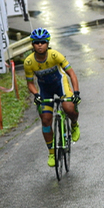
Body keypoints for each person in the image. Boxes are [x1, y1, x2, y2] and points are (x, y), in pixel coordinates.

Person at [24, 29, 81, 168]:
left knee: (68, 108)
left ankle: (74, 124)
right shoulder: (29, 62)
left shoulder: (55, 55)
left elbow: (71, 74)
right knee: (45, 119)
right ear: (33, 45)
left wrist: (76, 92)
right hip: (45, 90)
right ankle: (51, 152)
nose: (40, 45)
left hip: (60, 84)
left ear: (47, 43)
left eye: (43, 42)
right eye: (36, 43)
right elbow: (30, 83)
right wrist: (36, 95)